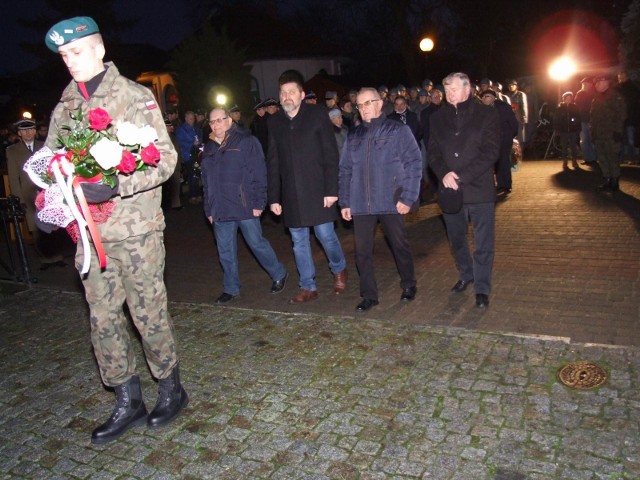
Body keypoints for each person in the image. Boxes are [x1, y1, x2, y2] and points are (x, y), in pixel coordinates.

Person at [42, 16, 188, 444]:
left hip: (136, 231)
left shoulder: (133, 96)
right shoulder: (64, 108)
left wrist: (117, 184)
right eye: (64, 55)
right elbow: (51, 166)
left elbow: (165, 159)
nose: (70, 61)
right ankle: (127, 397)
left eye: (77, 51)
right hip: (90, 237)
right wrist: (51, 200)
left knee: (148, 314)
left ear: (100, 49)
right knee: (102, 320)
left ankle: (170, 388)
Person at [267, 69, 347, 303]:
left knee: (326, 235)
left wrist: (332, 190)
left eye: (292, 92)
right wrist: (274, 197)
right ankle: (308, 286)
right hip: (291, 194)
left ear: (302, 94)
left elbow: (330, 154)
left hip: (318, 190)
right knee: (299, 240)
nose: (287, 96)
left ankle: (339, 268)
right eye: (283, 93)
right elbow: (273, 161)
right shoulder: (275, 122)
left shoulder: (317, 114)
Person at [339, 88, 422, 312]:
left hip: (389, 200)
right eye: (360, 105)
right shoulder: (353, 135)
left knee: (399, 244)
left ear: (379, 103)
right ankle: (369, 294)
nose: (364, 108)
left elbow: (414, 162)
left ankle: (409, 283)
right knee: (362, 251)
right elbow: (345, 170)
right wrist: (345, 202)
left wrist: (408, 196)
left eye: (368, 103)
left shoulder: (397, 130)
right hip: (360, 203)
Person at [201, 108, 288, 304]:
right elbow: (207, 182)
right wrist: (209, 208)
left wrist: (259, 202)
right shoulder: (209, 148)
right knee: (225, 251)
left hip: (244, 204)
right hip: (220, 209)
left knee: (256, 243)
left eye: (220, 120)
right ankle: (231, 288)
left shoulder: (246, 141)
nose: (216, 125)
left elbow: (259, 172)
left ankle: (279, 272)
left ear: (229, 121)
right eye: (212, 122)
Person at [428, 72, 500, 308]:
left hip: (479, 188)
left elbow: (491, 152)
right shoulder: (437, 118)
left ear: (468, 90)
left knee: (483, 242)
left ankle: (482, 287)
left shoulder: (486, 114)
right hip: (450, 190)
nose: (449, 95)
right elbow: (433, 153)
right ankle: (466, 273)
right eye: (446, 90)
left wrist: (463, 176)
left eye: (454, 90)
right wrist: (444, 173)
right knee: (457, 239)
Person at [6, 119, 66, 269]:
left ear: (35, 131)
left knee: (54, 225)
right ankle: (44, 259)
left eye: (31, 129)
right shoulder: (12, 151)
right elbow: (14, 177)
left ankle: (57, 256)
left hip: (48, 193)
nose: (28, 133)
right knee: (35, 228)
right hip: (29, 195)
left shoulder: (45, 146)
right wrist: (18, 199)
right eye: (24, 130)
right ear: (19, 133)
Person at [590, 74, 627, 192]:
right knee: (602, 158)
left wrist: (617, 131)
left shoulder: (615, 96)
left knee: (612, 157)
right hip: (599, 134)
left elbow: (622, 115)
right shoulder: (597, 97)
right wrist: (593, 131)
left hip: (611, 133)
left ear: (606, 82)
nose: (596, 85)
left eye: (598, 82)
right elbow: (593, 116)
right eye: (596, 83)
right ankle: (607, 180)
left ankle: (615, 182)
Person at [479, 89, 518, 193]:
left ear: (493, 98)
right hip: (490, 141)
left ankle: (505, 185)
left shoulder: (503, 107)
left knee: (503, 161)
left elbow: (513, 123)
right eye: (482, 97)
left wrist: (510, 136)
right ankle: (499, 184)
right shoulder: (481, 110)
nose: (484, 99)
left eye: (486, 96)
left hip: (504, 138)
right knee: (496, 163)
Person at [176, 110, 202, 204]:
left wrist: (199, 143)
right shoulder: (181, 129)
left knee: (196, 174)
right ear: (186, 118)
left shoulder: (195, 128)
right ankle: (192, 195)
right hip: (188, 155)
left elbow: (200, 138)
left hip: (196, 155)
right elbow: (181, 142)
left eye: (193, 118)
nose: (192, 120)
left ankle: (197, 194)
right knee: (192, 175)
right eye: (190, 118)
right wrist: (192, 143)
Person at [553, 92, 581, 170]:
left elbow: (578, 118)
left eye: (570, 99)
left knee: (573, 146)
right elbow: (556, 120)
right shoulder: (559, 108)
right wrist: (557, 129)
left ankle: (574, 160)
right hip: (563, 131)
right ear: (564, 99)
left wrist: (578, 128)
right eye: (567, 98)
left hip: (572, 130)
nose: (568, 100)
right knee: (564, 146)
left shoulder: (575, 107)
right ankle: (565, 161)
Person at [574, 77, 596, 165]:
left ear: (590, 84)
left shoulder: (594, 93)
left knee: (592, 139)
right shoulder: (579, 93)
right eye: (583, 84)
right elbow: (576, 106)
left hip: (592, 119)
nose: (584, 85)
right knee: (584, 139)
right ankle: (587, 158)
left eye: (586, 83)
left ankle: (594, 158)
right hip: (582, 119)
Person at [164, 117, 183, 210]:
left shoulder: (173, 137)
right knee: (165, 186)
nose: (171, 127)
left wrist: (179, 163)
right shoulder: (161, 138)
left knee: (175, 185)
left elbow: (178, 151)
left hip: (175, 165)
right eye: (168, 126)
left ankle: (176, 204)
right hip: (165, 166)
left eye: (171, 125)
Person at [506, 79, 528, 146]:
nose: (511, 86)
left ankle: (520, 152)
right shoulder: (506, 95)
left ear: (516, 86)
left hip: (518, 117)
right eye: (509, 85)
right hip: (509, 118)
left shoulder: (520, 94)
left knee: (520, 137)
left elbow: (524, 106)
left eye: (512, 85)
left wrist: (524, 118)